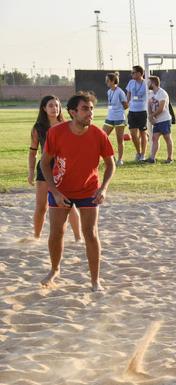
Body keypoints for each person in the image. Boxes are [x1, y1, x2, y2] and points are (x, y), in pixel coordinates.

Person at [39, 92, 116, 292]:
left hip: (89, 190)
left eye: (91, 108)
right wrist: (54, 191)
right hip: (61, 189)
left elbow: (110, 165)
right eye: (85, 109)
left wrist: (104, 188)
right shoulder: (56, 133)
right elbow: (44, 164)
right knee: (57, 232)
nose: (90, 113)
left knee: (90, 233)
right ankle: (54, 269)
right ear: (73, 112)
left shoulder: (99, 134)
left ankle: (95, 281)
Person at [28, 95, 81, 241]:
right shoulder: (38, 128)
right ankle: (36, 237)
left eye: (57, 105)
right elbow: (32, 152)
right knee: (41, 207)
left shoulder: (68, 125)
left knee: (68, 205)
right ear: (44, 108)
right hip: (44, 168)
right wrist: (31, 172)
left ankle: (78, 238)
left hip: (63, 168)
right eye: (51, 105)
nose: (54, 108)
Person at [103, 72, 129, 166]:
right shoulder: (109, 91)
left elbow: (126, 105)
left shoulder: (120, 92)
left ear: (113, 81)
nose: (106, 82)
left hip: (119, 118)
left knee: (119, 140)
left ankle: (120, 160)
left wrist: (118, 110)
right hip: (109, 117)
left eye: (108, 81)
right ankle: (111, 156)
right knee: (103, 137)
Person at [146, 76, 174, 164]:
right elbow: (149, 105)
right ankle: (152, 158)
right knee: (154, 138)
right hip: (157, 121)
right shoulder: (151, 93)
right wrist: (151, 116)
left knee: (167, 138)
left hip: (164, 120)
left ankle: (170, 158)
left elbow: (161, 108)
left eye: (149, 82)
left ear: (153, 83)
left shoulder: (162, 93)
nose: (147, 84)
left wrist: (151, 116)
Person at [126, 65, 149, 162]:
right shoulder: (131, 82)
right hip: (132, 111)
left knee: (143, 133)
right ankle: (138, 152)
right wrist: (127, 104)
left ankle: (143, 154)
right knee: (133, 133)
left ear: (140, 73)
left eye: (133, 72)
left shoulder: (146, 83)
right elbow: (128, 95)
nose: (132, 74)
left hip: (142, 111)